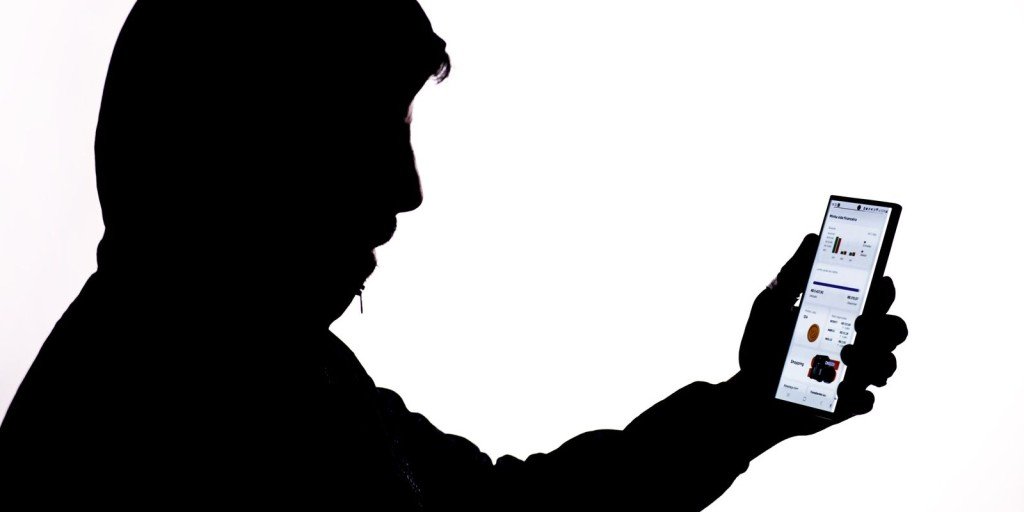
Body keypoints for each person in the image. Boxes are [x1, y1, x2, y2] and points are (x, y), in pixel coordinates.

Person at [0, 1, 907, 509]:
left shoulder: (281, 372)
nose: (408, 189)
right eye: (374, 127)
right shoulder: (182, 418)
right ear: (250, 139)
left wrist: (751, 407)